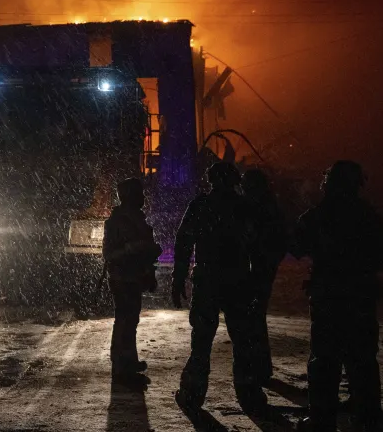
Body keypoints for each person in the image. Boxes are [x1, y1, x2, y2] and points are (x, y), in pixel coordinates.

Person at [294, 161, 383, 432]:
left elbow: (296, 246)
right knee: (362, 361)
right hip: (360, 297)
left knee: (325, 360)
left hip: (328, 298)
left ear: (329, 184)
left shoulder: (317, 216)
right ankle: (366, 419)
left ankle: (321, 420)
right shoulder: (369, 217)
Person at [173, 161, 267, 415]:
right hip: (238, 281)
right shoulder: (244, 207)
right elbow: (259, 246)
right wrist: (258, 282)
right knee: (243, 340)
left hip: (208, 281)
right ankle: (249, 395)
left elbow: (184, 243)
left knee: (202, 341)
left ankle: (192, 395)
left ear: (211, 180)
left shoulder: (201, 205)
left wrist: (178, 278)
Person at [103, 177, 162, 380]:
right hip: (122, 277)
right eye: (138, 193)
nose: (142, 197)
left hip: (133, 276)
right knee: (124, 320)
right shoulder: (116, 222)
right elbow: (109, 254)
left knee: (130, 320)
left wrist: (149, 252)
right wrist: (133, 248)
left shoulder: (137, 219)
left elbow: (143, 248)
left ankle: (128, 361)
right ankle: (121, 365)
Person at [241, 167, 287, 386]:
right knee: (256, 315)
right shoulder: (269, 206)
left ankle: (257, 367)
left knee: (253, 316)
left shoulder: (257, 207)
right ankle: (260, 367)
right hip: (263, 266)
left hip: (258, 267)